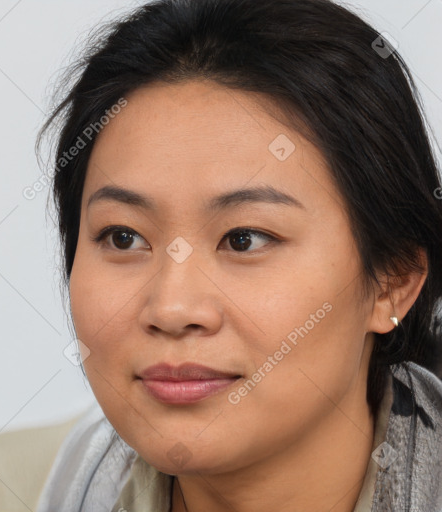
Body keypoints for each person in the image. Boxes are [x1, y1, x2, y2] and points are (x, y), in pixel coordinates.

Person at [35, 0, 442, 510]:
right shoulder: (82, 475)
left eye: (244, 239)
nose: (172, 309)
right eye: (123, 237)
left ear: (393, 279)